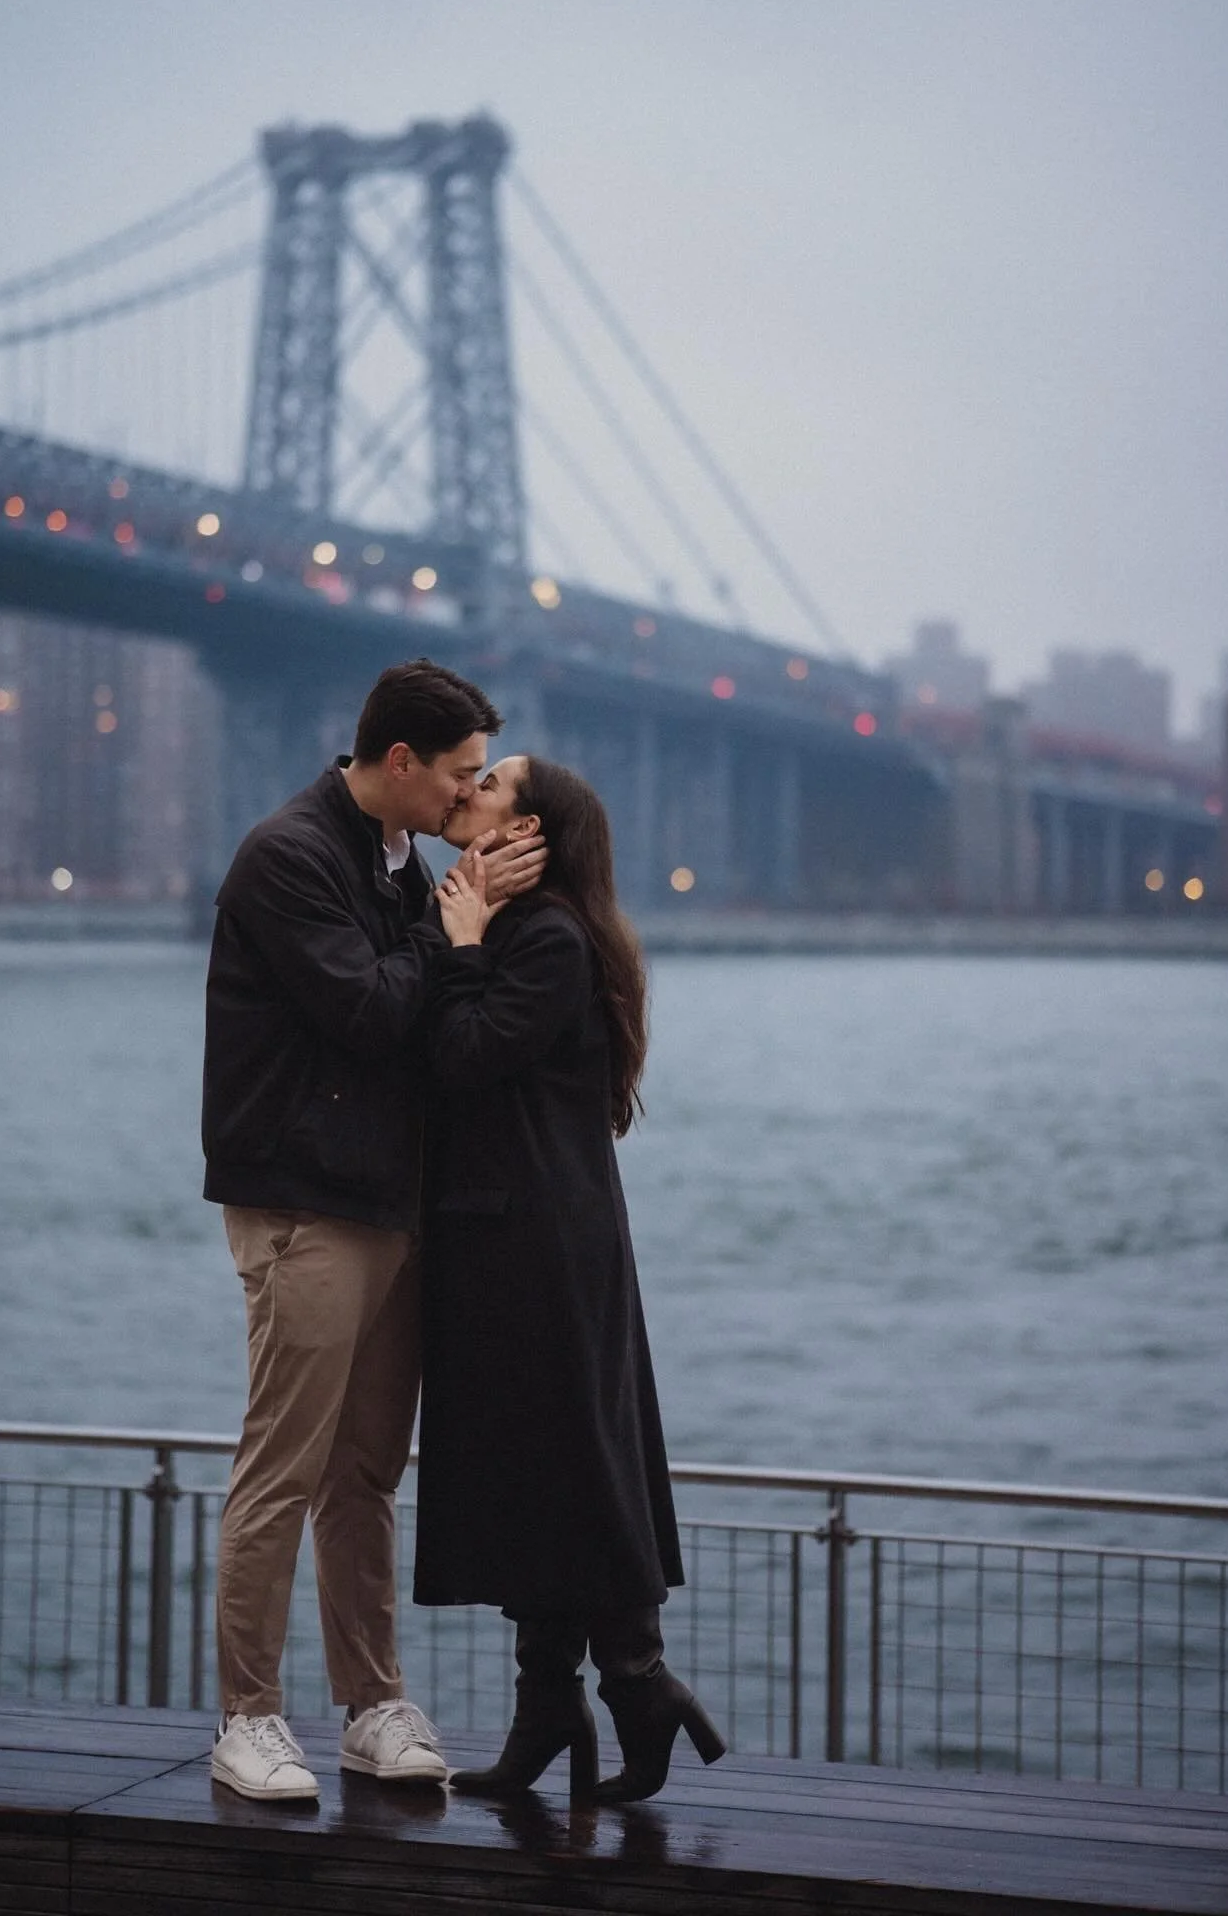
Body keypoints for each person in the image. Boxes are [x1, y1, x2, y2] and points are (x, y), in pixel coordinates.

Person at [202, 660, 543, 1802]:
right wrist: (461, 929)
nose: (468, 798)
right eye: (459, 776)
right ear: (399, 762)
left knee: (363, 1477)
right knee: (282, 1472)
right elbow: (369, 1011)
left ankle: (370, 1705)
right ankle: (248, 1719)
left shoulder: (405, 865)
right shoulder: (287, 856)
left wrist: (463, 901)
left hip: (389, 1204)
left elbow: (437, 1025)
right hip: (305, 1202)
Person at [413, 755, 725, 1803]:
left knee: (574, 1460)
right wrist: (458, 927)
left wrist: (460, 942)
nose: (467, 790)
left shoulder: (542, 937)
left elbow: (462, 1056)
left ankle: (637, 1682)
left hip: (535, 1242)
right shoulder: (524, 926)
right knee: (543, 1464)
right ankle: (553, 1705)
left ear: (532, 830)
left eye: (489, 783)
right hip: (524, 1235)